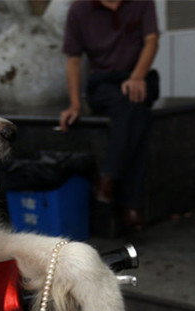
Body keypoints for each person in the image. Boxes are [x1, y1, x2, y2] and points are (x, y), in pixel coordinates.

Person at [59, 0, 159, 230]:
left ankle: (108, 177)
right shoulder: (79, 9)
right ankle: (130, 205)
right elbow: (73, 59)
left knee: (134, 99)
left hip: (139, 77)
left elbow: (151, 41)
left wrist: (137, 76)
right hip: (104, 83)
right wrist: (75, 104)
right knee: (136, 110)